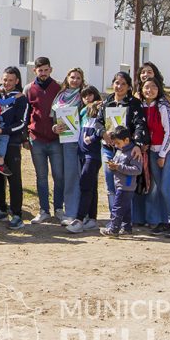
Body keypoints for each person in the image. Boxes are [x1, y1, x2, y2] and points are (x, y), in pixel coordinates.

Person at [96, 71, 149, 227]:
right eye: (116, 83)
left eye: (123, 84)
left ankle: (125, 223)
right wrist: (103, 133)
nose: (119, 86)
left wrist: (138, 145)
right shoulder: (107, 102)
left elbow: (140, 124)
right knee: (110, 185)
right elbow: (98, 122)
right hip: (108, 149)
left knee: (124, 187)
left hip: (126, 151)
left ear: (129, 86)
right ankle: (115, 220)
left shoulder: (134, 103)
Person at [0, 67, 30, 229]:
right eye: (4, 80)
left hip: (12, 144)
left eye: (10, 80)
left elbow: (22, 123)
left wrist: (3, 131)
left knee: (14, 178)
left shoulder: (21, 99)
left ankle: (17, 214)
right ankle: (0, 208)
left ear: (17, 81)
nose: (7, 83)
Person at [140, 77, 170, 238]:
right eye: (146, 87)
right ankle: (163, 222)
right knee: (158, 189)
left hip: (169, 151)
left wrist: (163, 154)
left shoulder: (163, 106)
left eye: (153, 87)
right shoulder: (144, 106)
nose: (149, 90)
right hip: (153, 151)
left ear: (159, 89)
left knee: (165, 188)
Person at [27, 56, 64, 225]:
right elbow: (26, 114)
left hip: (55, 139)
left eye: (46, 70)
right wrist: (26, 136)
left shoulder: (58, 88)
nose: (43, 73)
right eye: (40, 70)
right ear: (35, 70)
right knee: (41, 176)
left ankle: (58, 209)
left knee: (58, 175)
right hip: (37, 139)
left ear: (51, 70)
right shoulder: (29, 89)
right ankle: (44, 210)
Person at [67, 85, 103, 233]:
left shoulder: (100, 109)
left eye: (91, 95)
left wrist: (92, 138)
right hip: (82, 153)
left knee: (85, 185)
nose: (88, 98)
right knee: (91, 186)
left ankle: (79, 219)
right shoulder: (83, 112)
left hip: (93, 154)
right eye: (84, 96)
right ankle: (92, 218)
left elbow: (104, 128)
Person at [51, 68, 85, 226]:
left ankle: (72, 212)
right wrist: (54, 128)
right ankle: (63, 209)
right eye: (72, 77)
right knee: (61, 176)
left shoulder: (83, 96)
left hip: (75, 141)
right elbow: (54, 119)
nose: (75, 80)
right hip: (59, 140)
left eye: (78, 78)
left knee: (73, 176)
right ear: (67, 78)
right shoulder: (60, 96)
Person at [100, 126, 143, 237]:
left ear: (126, 140)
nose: (116, 146)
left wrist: (118, 167)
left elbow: (137, 170)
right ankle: (127, 228)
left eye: (118, 143)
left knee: (117, 207)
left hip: (126, 186)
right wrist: (112, 165)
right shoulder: (120, 151)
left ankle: (114, 229)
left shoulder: (133, 152)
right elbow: (116, 163)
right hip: (119, 184)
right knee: (126, 208)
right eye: (115, 144)